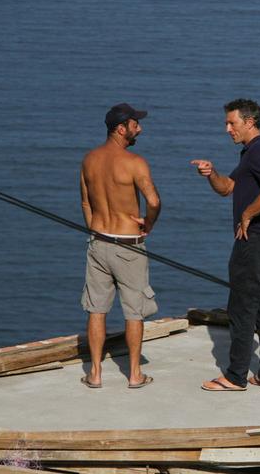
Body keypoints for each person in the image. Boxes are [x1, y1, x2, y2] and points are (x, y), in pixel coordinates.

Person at [191, 98, 260, 391]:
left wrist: (247, 214)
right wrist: (211, 174)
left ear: (249, 122)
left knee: (242, 308)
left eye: (232, 123)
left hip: (253, 243)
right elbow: (227, 188)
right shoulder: (250, 153)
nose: (227, 128)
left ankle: (235, 376)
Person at [79, 102, 161, 390]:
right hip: (128, 245)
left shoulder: (89, 160)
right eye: (135, 123)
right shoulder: (135, 162)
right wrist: (148, 223)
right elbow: (153, 201)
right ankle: (135, 374)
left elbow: (86, 202)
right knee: (133, 311)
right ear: (121, 128)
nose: (140, 127)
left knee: (96, 309)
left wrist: (95, 228)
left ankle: (96, 373)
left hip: (98, 241)